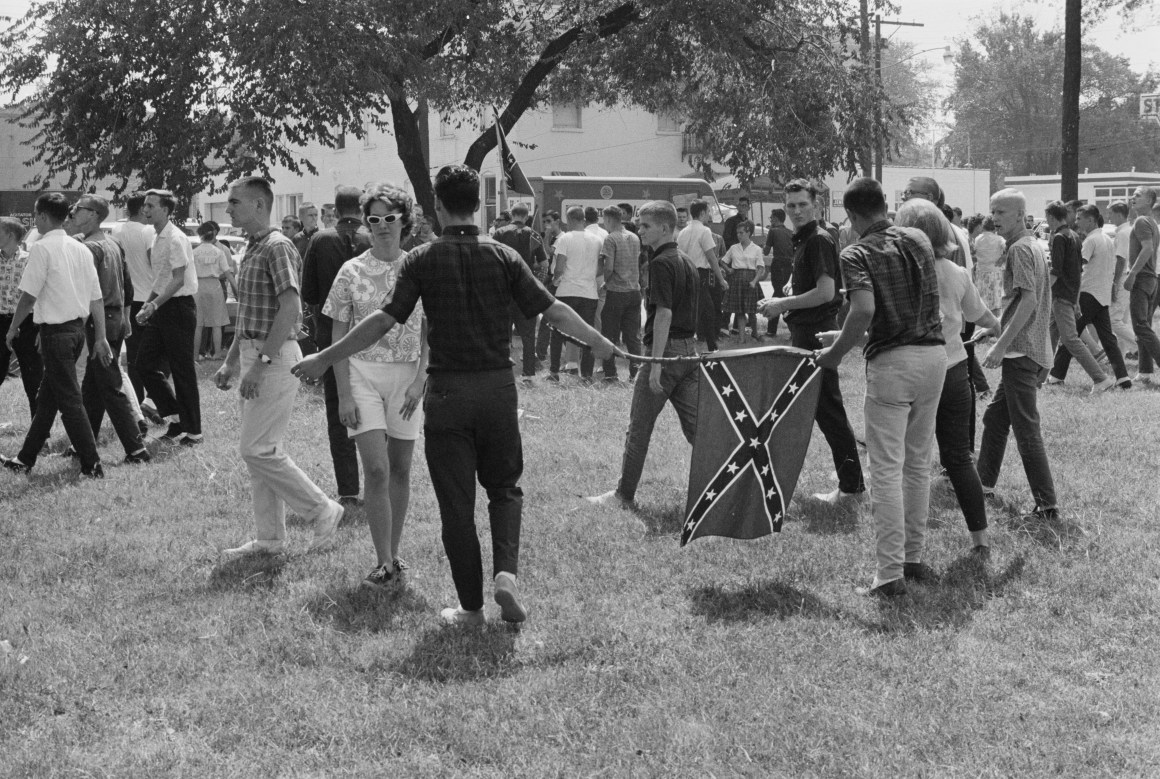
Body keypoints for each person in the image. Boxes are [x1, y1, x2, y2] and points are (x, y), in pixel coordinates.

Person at [293, 164, 616, 626]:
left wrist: (325, 357)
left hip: (447, 395)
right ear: (473, 206)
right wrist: (600, 343)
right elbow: (553, 310)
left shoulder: (421, 259)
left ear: (438, 208)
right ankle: (506, 573)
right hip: (498, 390)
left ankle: (471, 607)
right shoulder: (505, 255)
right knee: (505, 489)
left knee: (456, 505)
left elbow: (383, 321)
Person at [817, 179, 946, 598]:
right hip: (933, 357)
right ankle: (913, 557)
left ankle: (889, 574)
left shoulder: (854, 252)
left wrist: (835, 354)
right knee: (917, 464)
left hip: (892, 363)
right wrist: (841, 337)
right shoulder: (918, 239)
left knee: (886, 470)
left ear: (852, 217)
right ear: (886, 206)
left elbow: (866, 308)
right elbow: (905, 303)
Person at [215, 176, 346, 558]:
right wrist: (230, 363)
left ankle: (322, 510)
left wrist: (260, 364)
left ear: (259, 205)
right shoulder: (253, 247)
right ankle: (270, 538)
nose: (228, 209)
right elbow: (251, 317)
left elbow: (289, 308)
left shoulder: (278, 246)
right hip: (257, 354)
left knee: (257, 450)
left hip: (274, 358)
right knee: (262, 452)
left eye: (234, 202)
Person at [323, 183, 428, 587]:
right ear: (365, 224)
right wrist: (345, 393)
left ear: (405, 221)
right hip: (361, 374)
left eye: (390, 218)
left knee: (400, 469)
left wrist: (421, 378)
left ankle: (394, 554)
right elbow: (338, 336)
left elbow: (428, 330)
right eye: (374, 219)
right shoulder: (351, 271)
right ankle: (382, 560)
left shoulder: (418, 266)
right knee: (377, 469)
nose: (382, 226)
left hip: (407, 379)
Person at [897, 198, 1000, 558]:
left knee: (911, 461)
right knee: (958, 457)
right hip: (955, 370)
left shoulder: (901, 272)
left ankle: (909, 551)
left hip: (914, 370)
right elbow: (980, 313)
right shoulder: (956, 273)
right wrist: (997, 327)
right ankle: (981, 539)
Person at [759, 179, 865, 505]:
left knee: (828, 411)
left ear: (817, 205)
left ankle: (851, 488)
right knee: (820, 409)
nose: (797, 210)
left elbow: (826, 292)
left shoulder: (818, 239)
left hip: (816, 333)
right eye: (791, 205)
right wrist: (791, 291)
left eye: (803, 204)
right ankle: (849, 480)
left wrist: (780, 304)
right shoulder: (806, 239)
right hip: (808, 332)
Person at [588, 200, 699, 508]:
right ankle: (727, 482)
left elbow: (663, 314)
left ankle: (623, 495)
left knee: (638, 428)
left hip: (665, 354)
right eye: (639, 223)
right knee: (699, 430)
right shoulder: (687, 261)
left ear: (665, 227)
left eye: (646, 225)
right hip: (689, 352)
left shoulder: (662, 263)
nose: (640, 228)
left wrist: (656, 366)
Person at [1, 193, 111, 478]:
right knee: (47, 399)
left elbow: (27, 296)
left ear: (42, 216)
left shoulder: (42, 248)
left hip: (57, 334)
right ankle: (25, 459)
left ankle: (92, 462)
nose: (35, 219)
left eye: (37, 215)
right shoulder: (81, 248)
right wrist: (100, 336)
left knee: (70, 401)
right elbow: (96, 298)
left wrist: (13, 328)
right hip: (76, 332)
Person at [976, 189, 1059, 521]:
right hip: (1029, 348)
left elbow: (1028, 302)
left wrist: (1001, 345)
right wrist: (995, 327)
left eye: (1001, 212)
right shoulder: (1031, 246)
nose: (995, 217)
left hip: (1021, 353)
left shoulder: (1019, 250)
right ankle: (982, 483)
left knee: (1026, 428)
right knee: (995, 419)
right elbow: (1021, 304)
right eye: (993, 211)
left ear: (1021, 215)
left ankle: (1047, 504)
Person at [301, 185, 371, 505]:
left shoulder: (320, 240)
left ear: (338, 209)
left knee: (337, 411)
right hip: (370, 336)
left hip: (331, 336)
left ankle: (348, 489)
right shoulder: (372, 239)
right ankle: (377, 479)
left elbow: (310, 293)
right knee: (372, 407)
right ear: (360, 207)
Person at [68, 196, 150, 464]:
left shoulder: (90, 248)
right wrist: (125, 317)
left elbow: (89, 293)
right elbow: (128, 285)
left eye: (78, 209)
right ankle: (83, 443)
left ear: (92, 215)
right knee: (93, 387)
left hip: (98, 322)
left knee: (111, 388)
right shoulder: (112, 243)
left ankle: (136, 449)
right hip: (114, 319)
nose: (73, 212)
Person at [135, 188, 202, 444]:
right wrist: (148, 305)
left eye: (151, 205)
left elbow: (178, 279)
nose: (146, 209)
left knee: (182, 370)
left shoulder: (175, 238)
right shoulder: (155, 236)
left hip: (179, 308)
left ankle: (194, 431)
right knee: (144, 364)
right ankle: (176, 418)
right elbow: (161, 279)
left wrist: (154, 305)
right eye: (145, 205)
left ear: (165, 209)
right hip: (162, 307)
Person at [1049, 204, 1129, 389]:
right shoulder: (1107, 239)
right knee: (1108, 339)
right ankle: (1123, 378)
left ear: (1091, 220)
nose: (1075, 221)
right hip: (1101, 295)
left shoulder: (1091, 240)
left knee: (1070, 337)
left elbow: (1077, 267)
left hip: (1087, 294)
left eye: (1079, 218)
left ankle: (1056, 375)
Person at [1041, 200, 1111, 391]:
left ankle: (1101, 378)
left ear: (1052, 217)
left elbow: (1056, 271)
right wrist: (1076, 299)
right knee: (1050, 335)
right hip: (1069, 295)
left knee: (1071, 339)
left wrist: (1042, 291)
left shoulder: (1058, 238)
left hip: (1061, 296)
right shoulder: (1074, 236)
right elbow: (1077, 271)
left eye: (1047, 217)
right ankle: (1040, 377)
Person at [549, 206, 603, 382]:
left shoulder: (566, 238)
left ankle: (554, 371)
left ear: (570, 219)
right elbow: (600, 266)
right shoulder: (596, 240)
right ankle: (586, 374)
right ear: (584, 219)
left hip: (567, 290)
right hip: (589, 291)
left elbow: (559, 266)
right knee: (588, 332)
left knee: (558, 331)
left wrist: (556, 279)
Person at [493, 203, 547, 381]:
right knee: (528, 334)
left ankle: (502, 372)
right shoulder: (533, 234)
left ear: (512, 215)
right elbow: (544, 263)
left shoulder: (499, 233)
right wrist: (537, 281)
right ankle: (529, 374)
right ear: (526, 216)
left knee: (502, 334)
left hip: (504, 291)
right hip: (525, 289)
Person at [113, 193, 155, 404]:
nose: (149, 212)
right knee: (156, 353)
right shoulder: (147, 231)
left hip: (126, 299)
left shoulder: (116, 230)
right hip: (148, 297)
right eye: (148, 207)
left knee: (133, 354)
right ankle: (151, 400)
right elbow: (153, 261)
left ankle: (138, 399)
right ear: (141, 210)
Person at [0, 217, 42, 418]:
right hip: (0, 320)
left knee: (32, 376)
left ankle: (40, 430)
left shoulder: (29, 260)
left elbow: (38, 294)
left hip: (26, 322)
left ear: (10, 235)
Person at [598, 204, 642, 383]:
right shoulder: (634, 237)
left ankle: (610, 373)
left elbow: (608, 267)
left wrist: (604, 283)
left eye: (604, 222)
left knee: (609, 333)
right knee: (633, 336)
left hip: (616, 291)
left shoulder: (610, 239)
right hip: (634, 291)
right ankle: (636, 372)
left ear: (608, 220)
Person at [678, 199, 728, 352]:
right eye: (708, 212)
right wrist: (721, 279)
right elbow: (712, 257)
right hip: (700, 273)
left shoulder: (683, 231)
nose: (709, 215)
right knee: (708, 310)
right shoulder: (705, 231)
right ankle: (711, 346)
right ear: (701, 213)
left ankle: (703, 344)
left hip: (685, 272)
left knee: (696, 310)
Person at [1124, 187, 1160, 385]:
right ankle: (1145, 371)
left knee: (1140, 327)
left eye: (1138, 195)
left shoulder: (1141, 221)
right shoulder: (1152, 222)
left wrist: (1132, 274)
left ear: (1150, 201)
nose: (1133, 198)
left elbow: (1147, 248)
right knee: (1144, 326)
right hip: (1152, 279)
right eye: (1134, 195)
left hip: (1143, 278)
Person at [193, 221, 236, 361]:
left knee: (198, 323)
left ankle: (195, 354)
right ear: (213, 236)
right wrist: (237, 290)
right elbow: (229, 273)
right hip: (214, 285)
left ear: (200, 236)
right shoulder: (219, 251)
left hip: (198, 286)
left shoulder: (194, 252)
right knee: (217, 322)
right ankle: (217, 352)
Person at [722, 219, 765, 340]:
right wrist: (728, 270)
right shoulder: (734, 248)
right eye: (737, 233)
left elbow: (760, 267)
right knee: (740, 310)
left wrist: (754, 281)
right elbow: (723, 261)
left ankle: (755, 333)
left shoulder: (756, 249)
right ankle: (741, 339)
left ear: (748, 232)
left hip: (751, 279)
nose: (739, 235)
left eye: (741, 232)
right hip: (737, 279)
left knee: (751, 310)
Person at [1107, 201, 1137, 358]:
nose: (1108, 216)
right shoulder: (1127, 231)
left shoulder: (1123, 233)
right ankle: (1121, 354)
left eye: (1110, 213)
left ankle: (1140, 347)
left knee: (1113, 320)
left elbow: (1121, 259)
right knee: (1121, 320)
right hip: (1126, 277)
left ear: (1118, 214)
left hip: (1122, 278)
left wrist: (1114, 282)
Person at [535, 210, 563, 364]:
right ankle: (540, 352)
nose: (546, 224)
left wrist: (546, 235)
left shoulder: (561, 238)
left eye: (549, 221)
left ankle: (540, 353)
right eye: (544, 221)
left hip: (557, 282)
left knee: (549, 318)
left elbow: (547, 252)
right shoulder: (555, 238)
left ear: (557, 221)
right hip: (552, 279)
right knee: (549, 318)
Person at [762, 208, 793, 338]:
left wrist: (763, 245)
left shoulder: (773, 231)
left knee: (777, 295)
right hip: (789, 266)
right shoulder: (791, 232)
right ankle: (792, 327)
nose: (770, 220)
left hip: (778, 264)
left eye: (771, 218)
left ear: (775, 218)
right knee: (784, 294)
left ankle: (773, 328)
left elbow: (766, 251)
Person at [973, 216, 1006, 317]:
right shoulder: (999, 239)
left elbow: (974, 253)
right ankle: (995, 326)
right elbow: (1008, 249)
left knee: (983, 302)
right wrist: (1002, 258)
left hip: (981, 273)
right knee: (995, 303)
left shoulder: (977, 239)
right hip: (994, 273)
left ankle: (983, 326)